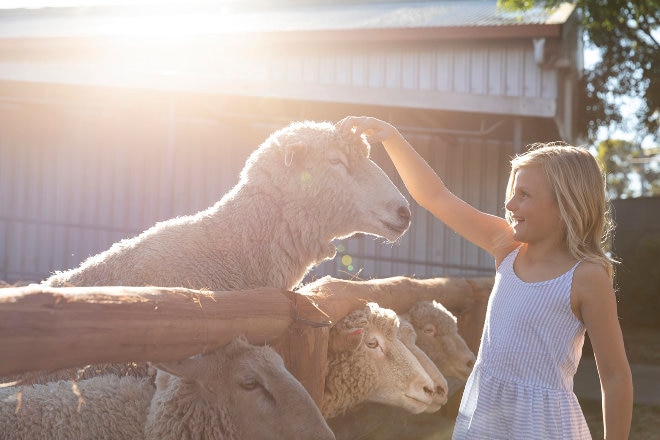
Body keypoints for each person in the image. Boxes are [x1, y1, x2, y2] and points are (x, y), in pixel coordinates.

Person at [336, 116, 633, 439]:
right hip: (486, 415)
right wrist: (393, 138)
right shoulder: (506, 246)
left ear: (565, 205)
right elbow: (435, 196)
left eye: (524, 195)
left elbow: (616, 376)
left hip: (543, 426)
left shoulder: (587, 276)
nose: (509, 204)